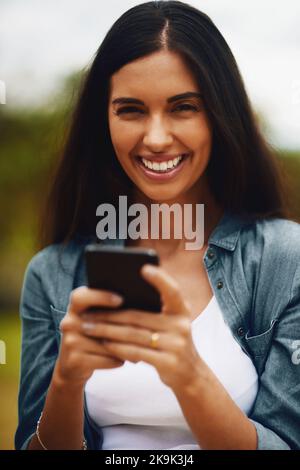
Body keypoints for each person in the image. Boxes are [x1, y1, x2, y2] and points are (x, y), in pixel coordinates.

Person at [15, 0, 300, 450]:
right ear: (103, 120)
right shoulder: (51, 274)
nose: (156, 138)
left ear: (220, 115)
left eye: (183, 107)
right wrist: (66, 383)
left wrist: (189, 377)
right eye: (130, 110)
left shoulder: (285, 261)